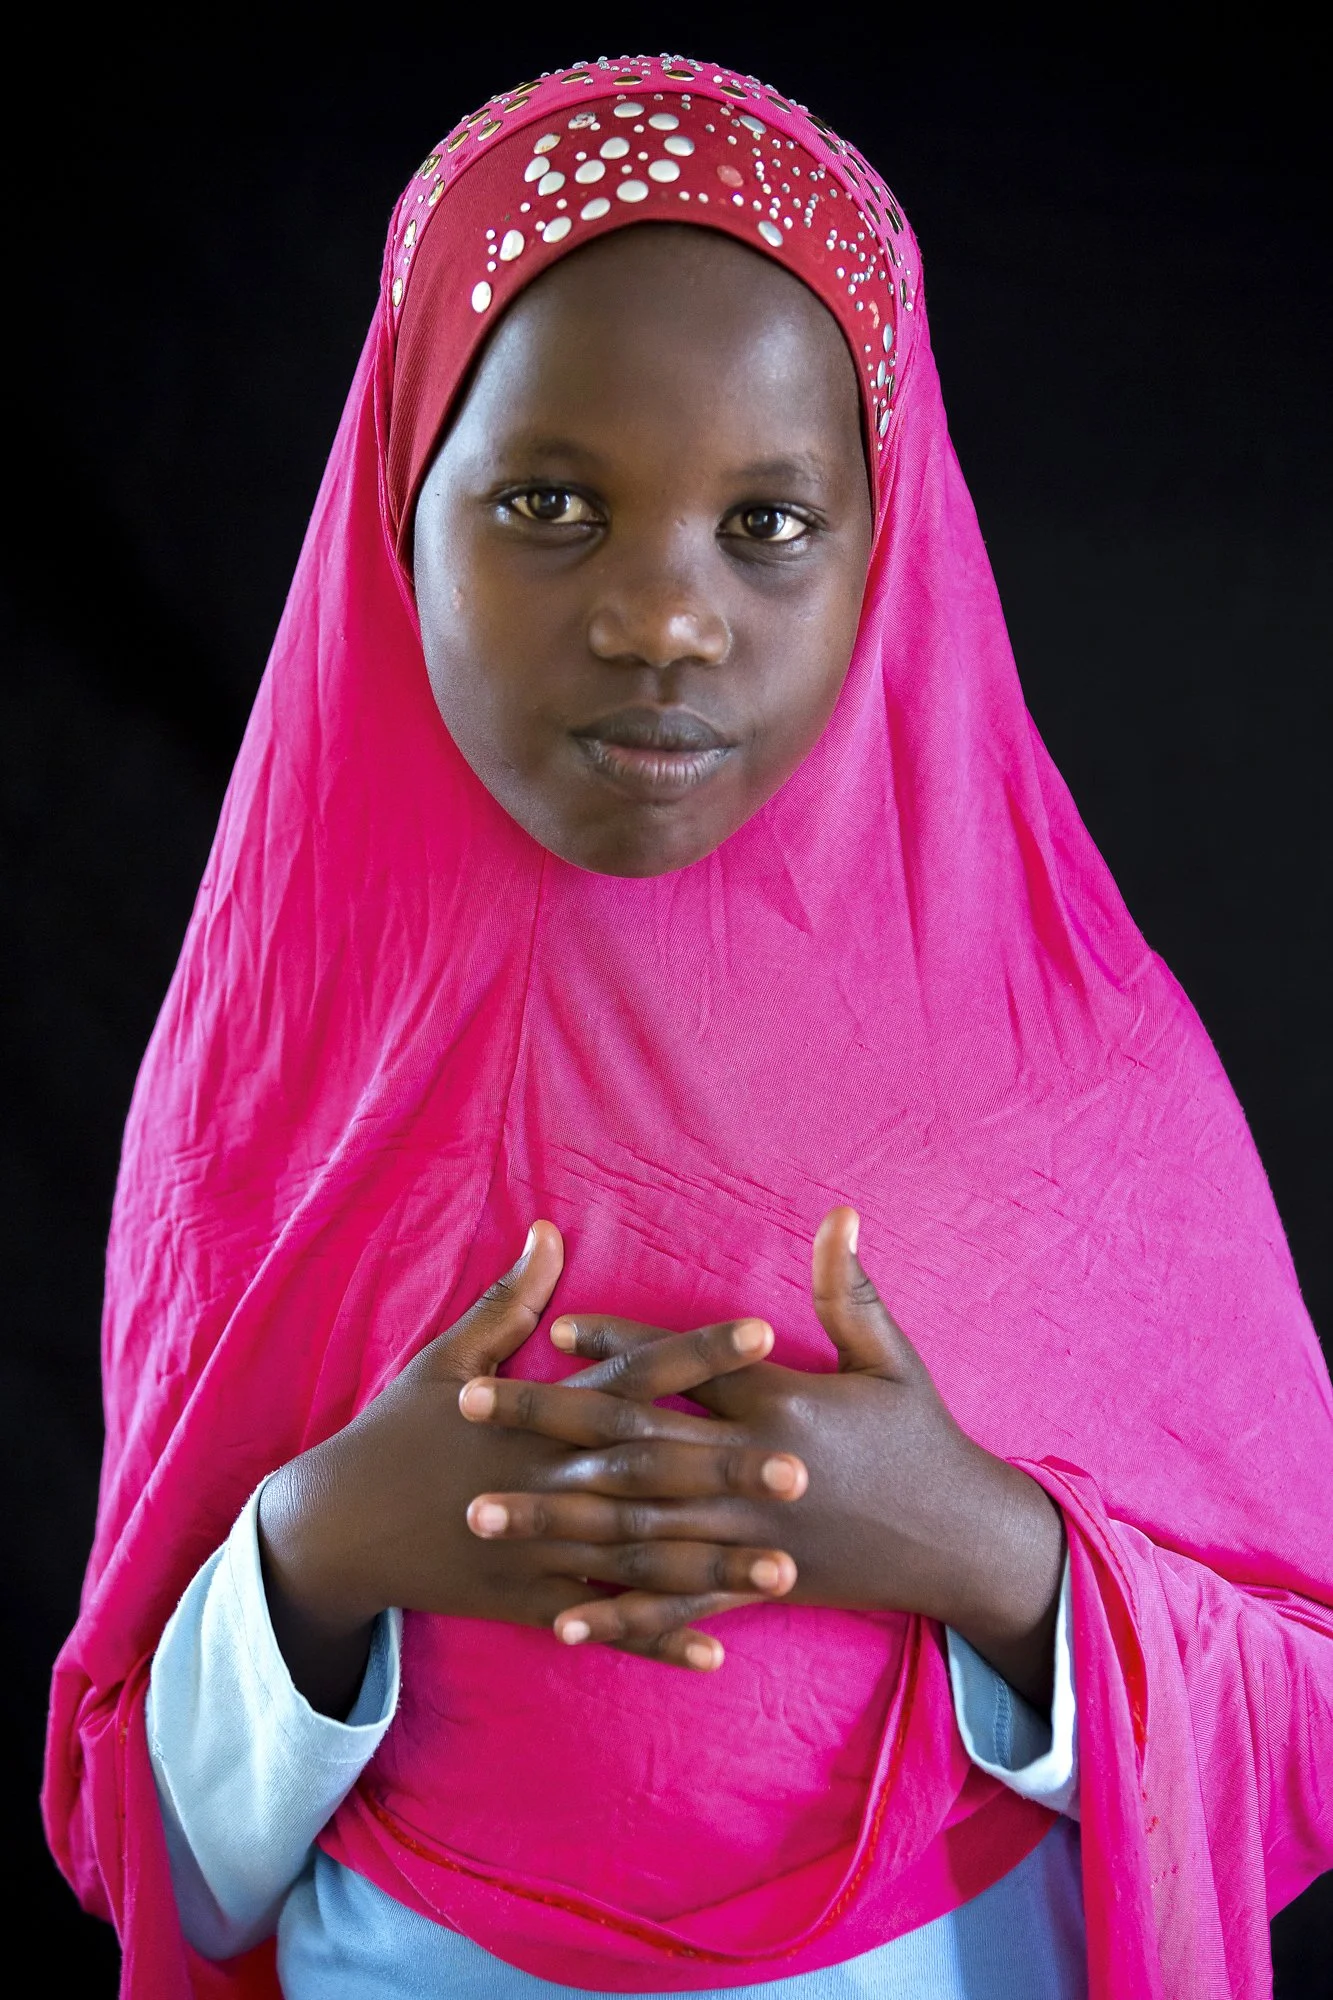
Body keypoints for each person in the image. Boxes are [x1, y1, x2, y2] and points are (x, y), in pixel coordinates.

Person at [43, 53, 1333, 2000]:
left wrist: (989, 1555)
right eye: (553, 504)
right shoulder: (268, 1074)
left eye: (769, 523)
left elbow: (1304, 1710)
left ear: (886, 549)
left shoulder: (1077, 1072)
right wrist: (320, 1553)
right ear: (405, 502)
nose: (663, 616)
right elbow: (131, 1834)